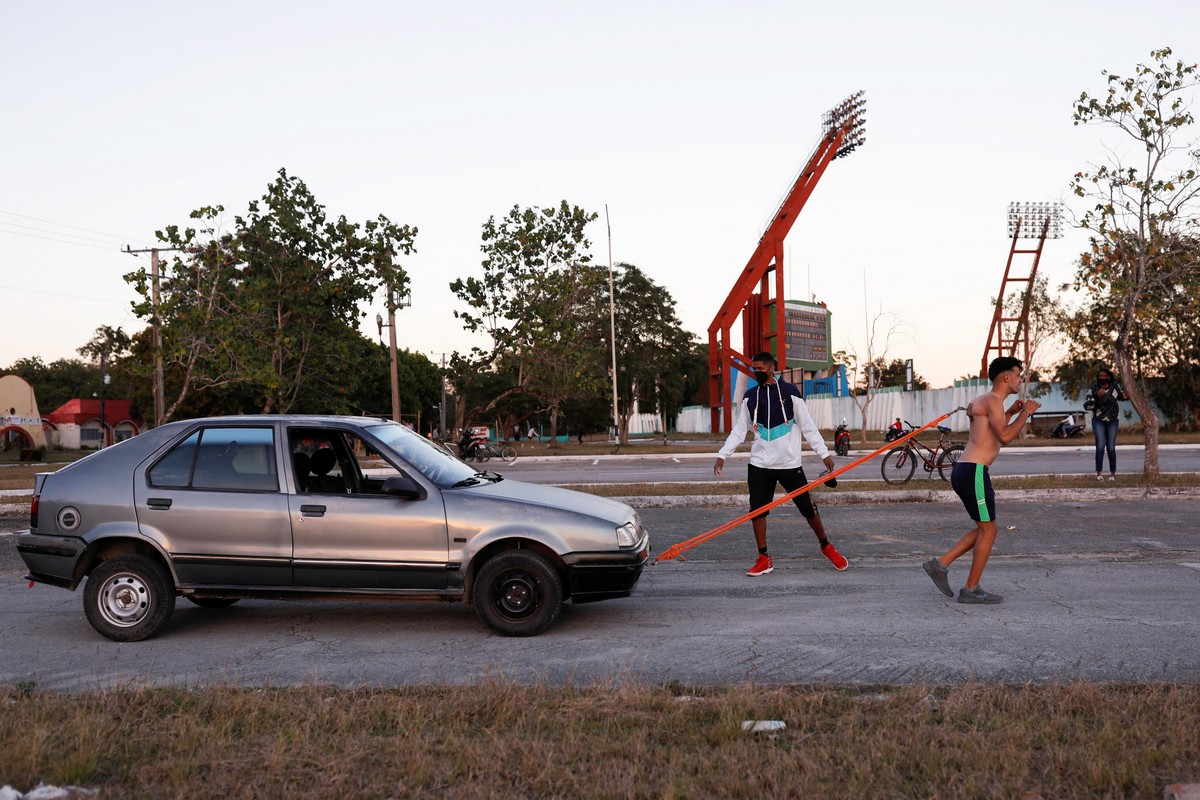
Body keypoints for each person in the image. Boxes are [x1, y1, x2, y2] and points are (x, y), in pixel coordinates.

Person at [713, 351, 847, 577]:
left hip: (789, 464)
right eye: (754, 369)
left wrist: (823, 453)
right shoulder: (750, 396)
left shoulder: (790, 393)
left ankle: (826, 545)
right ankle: (764, 558)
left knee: (808, 508)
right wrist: (723, 454)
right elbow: (739, 430)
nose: (756, 372)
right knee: (757, 511)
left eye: (760, 369)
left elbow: (808, 426)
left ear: (772, 369)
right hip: (759, 466)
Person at [922, 356, 1041, 604]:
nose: (1020, 380)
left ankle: (940, 564)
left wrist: (1010, 412)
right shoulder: (991, 400)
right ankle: (971, 589)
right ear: (1006, 377)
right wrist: (1026, 413)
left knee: (984, 529)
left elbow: (990, 429)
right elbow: (1006, 436)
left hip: (967, 470)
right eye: (1018, 375)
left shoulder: (987, 401)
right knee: (989, 530)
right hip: (974, 471)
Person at [1083, 367, 1128, 481]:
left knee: (1111, 448)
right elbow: (1087, 406)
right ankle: (1099, 474)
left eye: (1104, 376)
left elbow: (1120, 398)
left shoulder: (1114, 387)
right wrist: (1097, 396)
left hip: (1113, 420)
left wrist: (1124, 396)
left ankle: (1113, 474)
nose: (1102, 378)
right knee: (1100, 447)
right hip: (1098, 420)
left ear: (1108, 377)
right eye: (1100, 376)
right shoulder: (1093, 388)